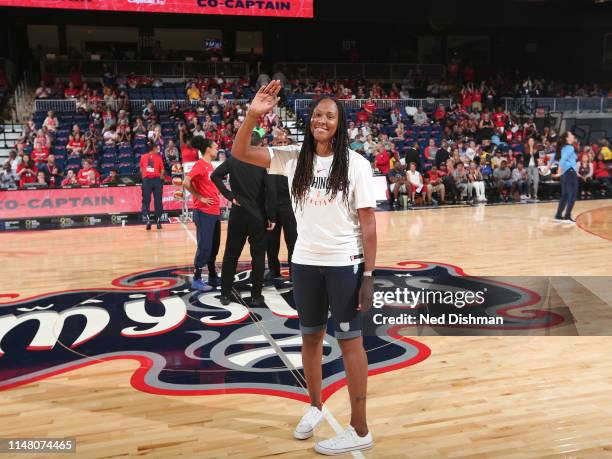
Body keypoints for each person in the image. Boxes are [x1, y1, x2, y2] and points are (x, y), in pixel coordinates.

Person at [230, 81, 376, 455]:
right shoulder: (292, 157)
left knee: (350, 343)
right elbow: (240, 151)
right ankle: (315, 406)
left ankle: (359, 428)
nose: (321, 120)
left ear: (339, 124)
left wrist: (370, 277)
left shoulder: (357, 164)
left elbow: (369, 225)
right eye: (316, 115)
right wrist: (252, 115)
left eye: (329, 116)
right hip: (305, 263)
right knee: (310, 338)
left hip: (345, 264)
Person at [211, 131, 275, 306]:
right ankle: (256, 295)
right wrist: (271, 216)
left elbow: (214, 176)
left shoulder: (234, 160)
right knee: (258, 257)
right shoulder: (263, 163)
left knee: (231, 255)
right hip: (258, 216)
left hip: (238, 215)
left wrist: (230, 195)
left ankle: (224, 294)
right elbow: (269, 191)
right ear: (258, 146)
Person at [182, 137, 221, 291]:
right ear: (208, 149)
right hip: (204, 211)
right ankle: (197, 278)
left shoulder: (209, 166)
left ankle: (212, 275)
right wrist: (199, 197)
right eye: (215, 147)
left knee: (214, 246)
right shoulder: (200, 165)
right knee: (205, 246)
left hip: (214, 211)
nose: (217, 150)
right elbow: (186, 182)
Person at [139, 142, 165, 230]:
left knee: (146, 201)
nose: (158, 149)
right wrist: (160, 177)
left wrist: (144, 177)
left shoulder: (143, 157)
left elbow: (141, 169)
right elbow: (162, 170)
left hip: (147, 181)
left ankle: (148, 221)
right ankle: (158, 222)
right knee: (158, 201)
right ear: (153, 148)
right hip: (156, 180)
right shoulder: (158, 157)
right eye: (157, 148)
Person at [554, 131, 578, 223]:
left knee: (565, 195)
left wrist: (547, 168)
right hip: (570, 173)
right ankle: (567, 216)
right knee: (572, 195)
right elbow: (563, 159)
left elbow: (554, 158)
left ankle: (558, 215)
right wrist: (559, 170)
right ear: (567, 138)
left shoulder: (563, 148)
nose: (573, 135)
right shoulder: (570, 148)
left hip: (565, 174)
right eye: (571, 134)